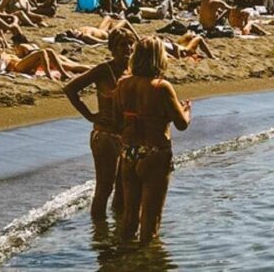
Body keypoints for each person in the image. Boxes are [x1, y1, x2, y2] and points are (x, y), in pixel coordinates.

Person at [114, 37, 191, 243]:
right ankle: (148, 262)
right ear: (159, 58)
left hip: (130, 152)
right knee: (151, 222)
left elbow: (117, 117)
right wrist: (186, 111)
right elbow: (182, 124)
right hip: (155, 152)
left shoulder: (122, 84)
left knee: (129, 218)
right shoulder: (161, 86)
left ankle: (122, 260)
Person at [64, 28, 137, 220]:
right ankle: (99, 236)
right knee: (105, 188)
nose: (128, 48)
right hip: (105, 136)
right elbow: (70, 89)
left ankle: (117, 229)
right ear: (112, 48)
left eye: (130, 43)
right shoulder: (104, 70)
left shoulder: (133, 71)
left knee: (123, 187)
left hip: (126, 137)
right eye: (123, 45)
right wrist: (90, 115)